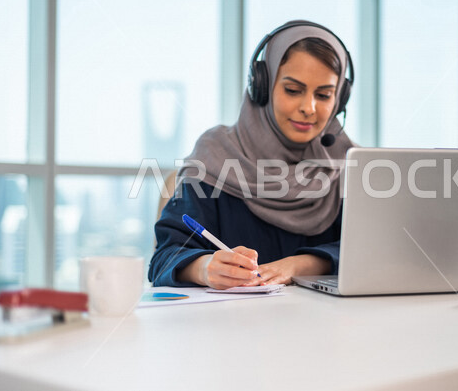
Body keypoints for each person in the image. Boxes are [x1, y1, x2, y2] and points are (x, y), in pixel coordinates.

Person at [148, 20, 355, 289]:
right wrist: (204, 268)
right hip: (230, 326)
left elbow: (374, 250)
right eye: (293, 90)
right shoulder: (216, 154)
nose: (309, 107)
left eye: (324, 95)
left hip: (330, 326)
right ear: (262, 86)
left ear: (339, 99)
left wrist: (299, 265)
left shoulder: (351, 165)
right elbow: (163, 258)